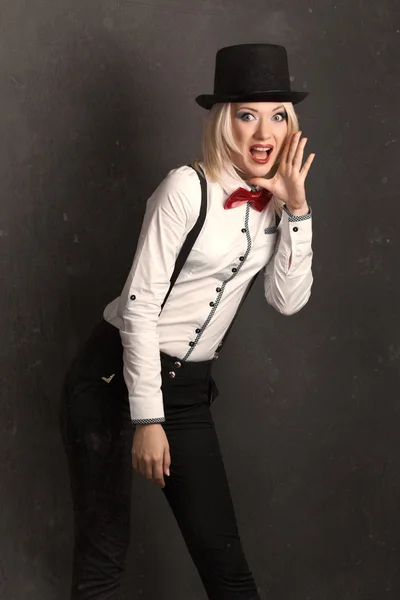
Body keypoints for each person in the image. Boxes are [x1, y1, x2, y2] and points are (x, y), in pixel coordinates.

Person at [60, 43, 315, 600]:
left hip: (188, 392)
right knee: (103, 560)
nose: (263, 131)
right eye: (247, 114)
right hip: (112, 378)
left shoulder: (275, 204)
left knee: (228, 573)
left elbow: (287, 300)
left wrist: (296, 211)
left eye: (277, 115)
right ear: (226, 122)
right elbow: (138, 308)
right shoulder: (186, 188)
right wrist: (147, 419)